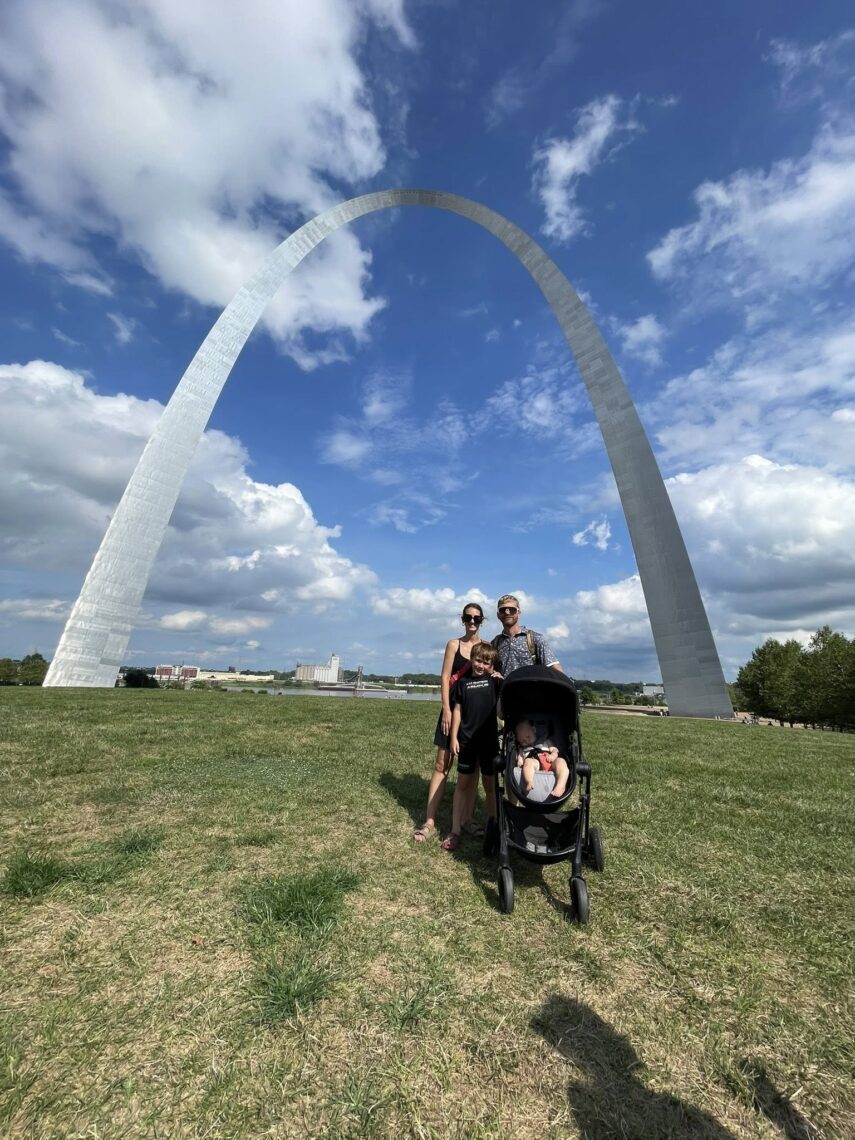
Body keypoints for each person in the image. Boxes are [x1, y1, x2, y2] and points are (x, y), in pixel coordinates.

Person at [413, 602, 486, 842]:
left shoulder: (486, 648)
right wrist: (445, 709)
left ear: (482, 620)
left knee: (471, 771)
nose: (472, 622)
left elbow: (490, 675)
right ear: (462, 619)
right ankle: (430, 821)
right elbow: (445, 677)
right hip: (451, 711)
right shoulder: (454, 644)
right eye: (468, 617)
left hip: (474, 715)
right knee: (442, 764)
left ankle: (466, 820)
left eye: (476, 618)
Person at [443, 642, 502, 852]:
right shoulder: (462, 684)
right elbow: (457, 711)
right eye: (477, 660)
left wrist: (501, 680)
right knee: (462, 785)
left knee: (490, 787)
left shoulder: (494, 683)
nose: (480, 665)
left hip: (489, 743)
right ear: (472, 660)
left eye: (486, 662)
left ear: (491, 665)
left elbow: (503, 708)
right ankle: (455, 830)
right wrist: (453, 738)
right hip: (467, 742)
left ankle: (495, 827)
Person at [492, 594, 563, 678]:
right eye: (503, 610)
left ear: (519, 614)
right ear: (498, 615)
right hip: (505, 690)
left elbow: (556, 670)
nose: (507, 613)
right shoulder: (495, 643)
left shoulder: (535, 639)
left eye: (512, 610)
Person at [514, 718, 570, 799]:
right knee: (528, 763)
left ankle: (561, 785)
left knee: (561, 761)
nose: (526, 741)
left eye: (528, 736)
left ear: (534, 730)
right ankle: (529, 781)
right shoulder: (522, 749)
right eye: (522, 741)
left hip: (550, 762)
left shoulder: (544, 741)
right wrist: (520, 760)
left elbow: (555, 750)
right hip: (536, 764)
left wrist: (553, 755)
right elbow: (520, 758)